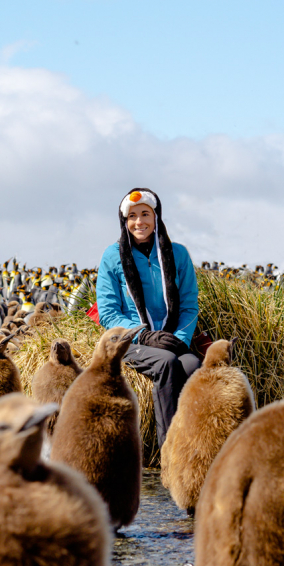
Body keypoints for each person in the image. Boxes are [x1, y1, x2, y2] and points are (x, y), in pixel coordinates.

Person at [96, 188, 200, 446]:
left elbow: (189, 305)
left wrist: (180, 339)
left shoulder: (178, 254)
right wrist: (144, 334)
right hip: (128, 342)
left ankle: (195, 446)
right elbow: (108, 313)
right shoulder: (113, 255)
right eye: (132, 216)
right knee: (165, 362)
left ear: (156, 217)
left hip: (170, 337)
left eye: (145, 214)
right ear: (124, 221)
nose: (139, 221)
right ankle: (169, 451)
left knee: (192, 366)